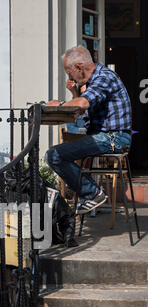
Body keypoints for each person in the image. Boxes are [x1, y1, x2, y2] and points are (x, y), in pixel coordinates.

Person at [45, 45, 132, 215]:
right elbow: (83, 114)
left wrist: (60, 105)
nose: (69, 76)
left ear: (79, 67)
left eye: (69, 71)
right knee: (60, 154)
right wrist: (75, 93)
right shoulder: (94, 82)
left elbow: (83, 104)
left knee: (55, 155)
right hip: (104, 136)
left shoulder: (104, 77)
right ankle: (88, 193)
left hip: (115, 139)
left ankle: (93, 193)